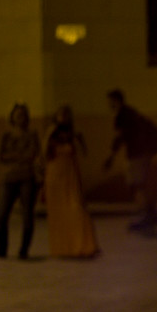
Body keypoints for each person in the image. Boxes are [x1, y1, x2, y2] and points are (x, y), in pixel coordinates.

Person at [42, 105, 100, 258]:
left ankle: (83, 246)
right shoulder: (52, 131)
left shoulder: (73, 133)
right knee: (60, 212)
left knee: (76, 208)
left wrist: (79, 140)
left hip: (70, 175)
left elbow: (82, 153)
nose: (63, 117)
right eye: (61, 114)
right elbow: (45, 153)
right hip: (55, 174)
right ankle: (64, 248)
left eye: (66, 114)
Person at [103, 89, 157, 231]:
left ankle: (146, 215)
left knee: (135, 185)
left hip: (136, 154)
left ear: (116, 100)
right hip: (144, 153)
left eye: (110, 101)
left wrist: (110, 158)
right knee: (139, 185)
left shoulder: (122, 115)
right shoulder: (131, 112)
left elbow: (120, 138)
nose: (108, 104)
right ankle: (151, 213)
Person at [0, 102, 40, 259]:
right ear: (12, 117)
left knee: (27, 215)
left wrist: (16, 157)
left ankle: (24, 249)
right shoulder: (6, 136)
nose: (20, 117)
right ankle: (2, 248)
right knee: (2, 216)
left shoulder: (32, 135)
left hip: (27, 178)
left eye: (23, 114)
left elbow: (33, 154)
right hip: (9, 178)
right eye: (18, 114)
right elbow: (1, 156)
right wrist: (21, 157)